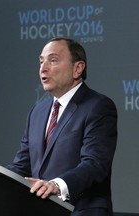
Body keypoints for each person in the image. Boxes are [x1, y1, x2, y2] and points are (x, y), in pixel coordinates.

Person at [7, 37, 117, 216]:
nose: (43, 68)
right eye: (41, 61)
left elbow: (95, 164)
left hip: (80, 211)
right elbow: (22, 165)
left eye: (53, 60)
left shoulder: (98, 106)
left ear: (77, 68)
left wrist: (56, 186)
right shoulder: (37, 112)